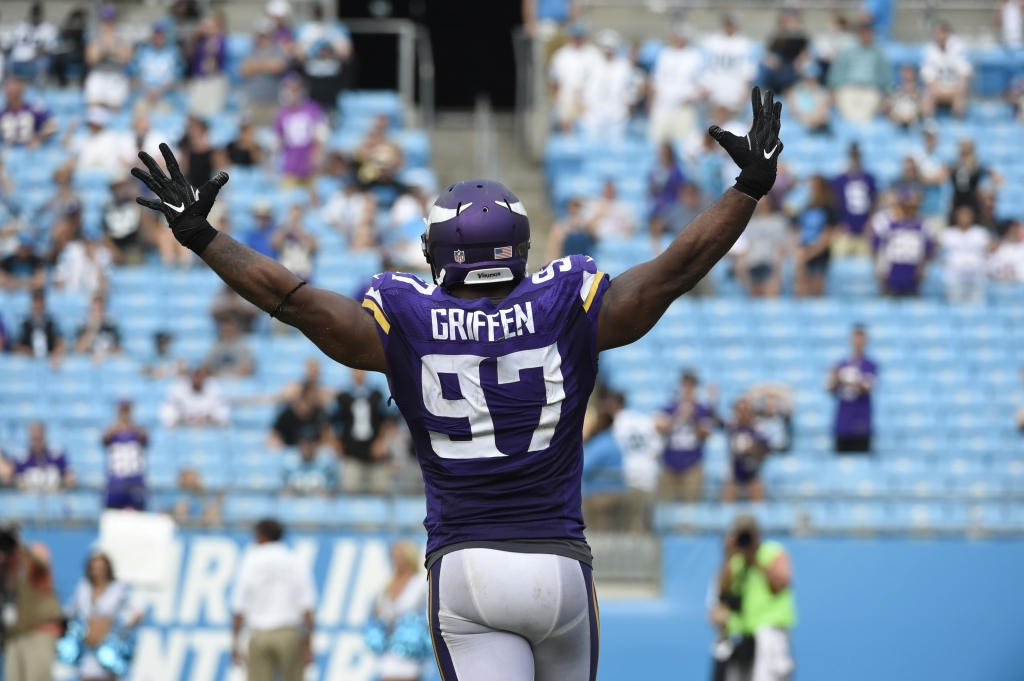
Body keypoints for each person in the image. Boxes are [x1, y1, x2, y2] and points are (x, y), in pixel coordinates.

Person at [132, 87, 785, 680]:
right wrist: (747, 189)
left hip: (468, 562)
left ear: (439, 251)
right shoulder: (566, 300)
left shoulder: (407, 315)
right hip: (558, 559)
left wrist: (202, 237)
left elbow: (294, 300)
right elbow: (677, 268)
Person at [712, 515, 796, 681]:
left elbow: (781, 583)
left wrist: (754, 559)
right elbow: (721, 590)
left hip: (769, 632)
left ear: (757, 534)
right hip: (742, 635)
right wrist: (728, 556)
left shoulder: (772, 551)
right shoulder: (735, 560)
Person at [231, 520, 316, 681]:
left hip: (260, 634)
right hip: (289, 634)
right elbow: (307, 607)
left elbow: (239, 607)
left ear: (261, 535)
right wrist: (308, 645)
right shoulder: (295, 561)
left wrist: (235, 644)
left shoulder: (251, 561)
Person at [65, 553, 144, 681]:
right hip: (87, 648)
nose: (98, 572)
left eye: (101, 568)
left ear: (108, 569)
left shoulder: (117, 589)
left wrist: (121, 632)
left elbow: (138, 613)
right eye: (94, 568)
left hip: (107, 649)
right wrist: (76, 633)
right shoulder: (83, 588)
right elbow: (69, 612)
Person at [3, 536, 64, 681]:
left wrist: (17, 544)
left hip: (39, 631)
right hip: (14, 635)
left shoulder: (34, 553)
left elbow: (41, 561)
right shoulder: (5, 567)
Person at [656, 370, 718, 502]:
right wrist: (677, 415)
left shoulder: (702, 410)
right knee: (665, 506)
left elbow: (704, 435)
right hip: (670, 461)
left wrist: (694, 417)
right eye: (685, 384)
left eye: (691, 384)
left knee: (690, 507)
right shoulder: (670, 407)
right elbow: (658, 427)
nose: (688, 388)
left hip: (692, 462)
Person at [372, 541, 429, 681]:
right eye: (393, 556)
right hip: (389, 648)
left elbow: (429, 613)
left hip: (411, 651)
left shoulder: (420, 582)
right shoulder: (388, 581)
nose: (395, 559)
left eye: (399, 555)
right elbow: (378, 611)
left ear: (409, 557)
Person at [333, 369, 395, 494]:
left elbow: (388, 420)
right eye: (356, 371)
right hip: (352, 454)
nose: (359, 374)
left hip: (375, 457)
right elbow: (330, 421)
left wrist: (380, 441)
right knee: (350, 491)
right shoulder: (343, 397)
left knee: (380, 493)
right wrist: (336, 443)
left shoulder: (377, 396)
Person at [610, 392, 661, 533]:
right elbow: (657, 450)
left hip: (629, 477)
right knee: (644, 524)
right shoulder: (644, 419)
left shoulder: (616, 422)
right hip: (649, 476)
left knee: (629, 524)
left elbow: (614, 450)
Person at [871, 184, 933, 297]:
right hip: (892, 271)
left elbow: (929, 249)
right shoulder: (888, 222)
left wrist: (923, 268)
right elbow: (876, 246)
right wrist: (879, 268)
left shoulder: (922, 224)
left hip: (913, 271)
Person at [649, 23, 703, 144]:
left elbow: (702, 84)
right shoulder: (664, 54)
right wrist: (651, 104)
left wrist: (691, 99)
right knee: (657, 141)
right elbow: (656, 81)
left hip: (683, 106)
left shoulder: (694, 56)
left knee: (682, 142)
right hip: (662, 106)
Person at [827, 21, 891, 122]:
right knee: (849, 116)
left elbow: (884, 75)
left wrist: (886, 91)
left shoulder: (878, 53)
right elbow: (837, 72)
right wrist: (833, 88)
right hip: (848, 88)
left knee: (865, 118)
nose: (866, 36)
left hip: (870, 89)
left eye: (869, 33)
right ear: (858, 34)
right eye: (863, 33)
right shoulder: (847, 51)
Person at [828, 326, 878, 453]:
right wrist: (835, 378)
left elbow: (868, 387)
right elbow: (830, 388)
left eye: (861, 340)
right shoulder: (841, 364)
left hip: (861, 420)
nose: (858, 343)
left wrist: (847, 378)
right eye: (856, 339)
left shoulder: (870, 365)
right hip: (843, 421)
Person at [294, 2, 352, 111]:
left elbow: (347, 55)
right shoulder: (304, 29)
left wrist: (329, 36)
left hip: (332, 88)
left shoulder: (337, 28)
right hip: (312, 87)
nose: (318, 13)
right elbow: (298, 57)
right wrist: (312, 39)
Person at [581, 393, 626, 531]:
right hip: (618, 493)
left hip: (601, 495)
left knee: (599, 533)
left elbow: (584, 468)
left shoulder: (600, 443)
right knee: (614, 533)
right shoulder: (615, 442)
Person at [580, 29, 635, 141]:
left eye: (610, 48)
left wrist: (628, 107)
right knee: (592, 145)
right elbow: (581, 86)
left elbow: (631, 89)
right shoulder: (591, 64)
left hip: (617, 114)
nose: (607, 51)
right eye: (605, 47)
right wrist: (583, 105)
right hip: (594, 114)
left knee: (617, 146)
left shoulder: (624, 66)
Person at [275, 76, 329, 185]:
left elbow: (321, 135)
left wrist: (317, 156)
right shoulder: (281, 113)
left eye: (295, 89)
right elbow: (278, 140)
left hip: (310, 165)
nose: (292, 93)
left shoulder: (313, 108)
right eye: (289, 89)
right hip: (290, 166)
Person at [700, 13, 757, 115]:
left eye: (732, 24)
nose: (729, 27)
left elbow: (748, 71)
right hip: (715, 89)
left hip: (735, 90)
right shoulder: (711, 42)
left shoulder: (745, 44)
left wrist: (745, 92)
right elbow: (705, 67)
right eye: (727, 24)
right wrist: (705, 86)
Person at [548, 23, 599, 133]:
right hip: (567, 99)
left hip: (589, 100)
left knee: (589, 131)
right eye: (575, 36)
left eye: (580, 36)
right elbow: (553, 80)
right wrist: (557, 99)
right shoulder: (561, 55)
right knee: (568, 133)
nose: (577, 39)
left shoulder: (593, 53)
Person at [734, 196, 788, 298]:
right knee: (754, 302)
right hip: (753, 263)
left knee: (770, 300)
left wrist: (777, 270)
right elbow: (746, 245)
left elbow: (781, 245)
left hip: (770, 263)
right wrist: (742, 266)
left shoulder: (778, 221)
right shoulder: (751, 222)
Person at [831, 144, 877, 257]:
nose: (855, 158)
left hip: (864, 231)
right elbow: (834, 203)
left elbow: (874, 202)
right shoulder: (839, 180)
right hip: (845, 231)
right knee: (839, 259)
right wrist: (838, 223)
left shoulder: (869, 178)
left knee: (865, 263)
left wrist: (870, 223)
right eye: (853, 155)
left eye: (857, 155)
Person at [794, 175, 837, 297]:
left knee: (816, 291)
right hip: (804, 251)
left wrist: (808, 254)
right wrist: (800, 251)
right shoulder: (805, 208)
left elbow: (827, 236)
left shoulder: (829, 208)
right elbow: (798, 230)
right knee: (800, 290)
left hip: (819, 255)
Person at [241, 19, 290, 126]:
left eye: (266, 35)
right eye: (261, 35)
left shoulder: (278, 50)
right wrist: (267, 65)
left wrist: (256, 66)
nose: (263, 38)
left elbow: (278, 66)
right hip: (254, 100)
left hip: (272, 100)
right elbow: (244, 70)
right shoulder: (250, 50)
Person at [721, 398, 770, 503]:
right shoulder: (731, 428)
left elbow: (767, 449)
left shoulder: (758, 428)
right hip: (735, 472)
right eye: (740, 410)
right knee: (729, 487)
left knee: (756, 486)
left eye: (746, 410)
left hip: (753, 471)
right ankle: (726, 516)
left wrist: (753, 449)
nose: (743, 414)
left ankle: (760, 515)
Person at [83, 4, 132, 110]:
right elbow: (90, 59)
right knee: (94, 108)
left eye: (110, 18)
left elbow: (125, 58)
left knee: (115, 108)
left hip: (116, 75)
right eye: (106, 18)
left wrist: (103, 51)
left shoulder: (122, 35)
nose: (108, 21)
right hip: (98, 74)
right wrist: (112, 51)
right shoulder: (94, 35)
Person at [102, 401, 149, 510]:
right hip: (116, 479)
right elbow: (104, 440)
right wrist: (117, 427)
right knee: (112, 512)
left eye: (126, 411)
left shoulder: (137, 429)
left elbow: (145, 439)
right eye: (122, 411)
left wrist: (130, 427)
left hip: (134, 478)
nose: (124, 414)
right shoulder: (113, 429)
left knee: (137, 511)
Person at [921, 22, 972, 120]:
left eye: (943, 33)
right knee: (927, 97)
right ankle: (929, 124)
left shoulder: (958, 48)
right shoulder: (929, 50)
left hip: (954, 89)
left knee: (961, 96)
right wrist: (939, 91)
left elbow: (964, 75)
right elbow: (928, 78)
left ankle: (957, 125)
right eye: (939, 34)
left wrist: (956, 90)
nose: (941, 37)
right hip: (937, 90)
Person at [940, 206, 992, 304]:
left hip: (976, 278)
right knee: (955, 308)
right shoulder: (948, 233)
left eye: (967, 215)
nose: (965, 218)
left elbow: (990, 250)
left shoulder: (980, 233)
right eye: (962, 215)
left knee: (977, 308)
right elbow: (939, 253)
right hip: (954, 278)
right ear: (956, 217)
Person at [186, 11, 229, 117]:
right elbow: (188, 54)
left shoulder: (220, 39)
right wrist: (195, 34)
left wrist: (212, 38)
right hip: (199, 79)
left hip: (213, 80)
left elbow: (213, 60)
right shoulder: (200, 40)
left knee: (212, 112)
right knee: (196, 111)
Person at [159, 365, 231, 428]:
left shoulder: (213, 386)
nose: (198, 379)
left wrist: (209, 419)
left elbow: (223, 414)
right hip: (183, 429)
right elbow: (167, 412)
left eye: (201, 376)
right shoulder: (179, 387)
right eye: (196, 376)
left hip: (208, 429)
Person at [71, 107, 136, 174]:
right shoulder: (85, 136)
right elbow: (68, 145)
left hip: (107, 172)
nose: (91, 126)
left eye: (94, 123)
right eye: (90, 123)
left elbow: (121, 157)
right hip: (86, 171)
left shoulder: (112, 136)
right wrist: (71, 128)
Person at [6, 2, 59, 84]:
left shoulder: (49, 28)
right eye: (34, 13)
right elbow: (10, 43)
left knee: (42, 63)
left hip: (37, 59)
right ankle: (10, 87)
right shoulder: (20, 26)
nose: (35, 16)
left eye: (37, 14)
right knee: (9, 61)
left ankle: (37, 90)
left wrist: (40, 52)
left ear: (41, 14)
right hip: (19, 57)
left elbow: (52, 47)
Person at [135, 20, 184, 106]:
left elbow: (177, 77)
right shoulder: (143, 50)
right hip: (145, 94)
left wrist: (159, 91)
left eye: (161, 34)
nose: (158, 37)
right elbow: (136, 75)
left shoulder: (174, 51)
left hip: (167, 95)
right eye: (156, 33)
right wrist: (148, 91)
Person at [759, 9, 809, 95]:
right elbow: (771, 53)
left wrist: (798, 61)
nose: (790, 24)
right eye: (788, 21)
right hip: (779, 66)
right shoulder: (778, 36)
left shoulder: (801, 37)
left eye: (793, 21)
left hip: (793, 66)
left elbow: (804, 53)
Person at [14, 422, 75, 492]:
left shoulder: (56, 454)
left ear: (44, 436)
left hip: (55, 496)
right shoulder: (23, 458)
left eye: (39, 438)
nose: (37, 442)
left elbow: (69, 477)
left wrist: (62, 484)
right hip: (30, 498)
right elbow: (18, 482)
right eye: (34, 438)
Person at [270, 380, 330, 449]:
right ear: (304, 396)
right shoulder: (287, 415)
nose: (314, 399)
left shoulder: (321, 415)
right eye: (311, 396)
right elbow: (274, 435)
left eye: (315, 396)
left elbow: (327, 437)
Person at [0, 77, 57, 146]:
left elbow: (52, 125)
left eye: (13, 93)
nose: (9, 96)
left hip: (29, 151)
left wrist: (39, 137)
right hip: (7, 151)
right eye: (8, 93)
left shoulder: (32, 110)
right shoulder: (2, 113)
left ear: (20, 93)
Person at [283, 425, 338, 495]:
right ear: (298, 444)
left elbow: (332, 490)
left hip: (320, 503)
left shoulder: (327, 461)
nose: (307, 447)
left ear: (318, 444)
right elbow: (283, 490)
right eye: (304, 443)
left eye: (311, 443)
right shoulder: (289, 461)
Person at [272, 205, 319, 282]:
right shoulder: (283, 230)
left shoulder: (308, 231)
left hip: (303, 272)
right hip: (287, 271)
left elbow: (314, 246)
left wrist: (298, 231)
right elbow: (274, 243)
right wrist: (288, 228)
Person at [15, 291, 65, 362]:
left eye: (40, 307)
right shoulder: (24, 325)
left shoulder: (52, 324)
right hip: (29, 362)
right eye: (36, 307)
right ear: (31, 307)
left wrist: (56, 354)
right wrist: (29, 352)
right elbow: (16, 346)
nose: (38, 310)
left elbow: (60, 342)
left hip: (49, 362)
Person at [748, 385, 794, 453]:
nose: (770, 405)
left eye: (773, 404)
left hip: (779, 451)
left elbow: (790, 405)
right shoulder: (758, 420)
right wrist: (764, 392)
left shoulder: (782, 420)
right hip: (762, 452)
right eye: (768, 403)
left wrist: (775, 393)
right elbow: (749, 402)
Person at [649, 143, 686, 221]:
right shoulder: (656, 171)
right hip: (659, 207)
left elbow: (681, 190)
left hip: (673, 206)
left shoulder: (677, 172)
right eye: (661, 153)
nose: (663, 156)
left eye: (666, 153)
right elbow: (651, 190)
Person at [886, 65, 923, 129]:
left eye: (910, 72)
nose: (907, 76)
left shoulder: (921, 93)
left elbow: (925, 111)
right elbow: (888, 110)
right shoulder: (894, 92)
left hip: (915, 127)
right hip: (897, 125)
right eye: (905, 72)